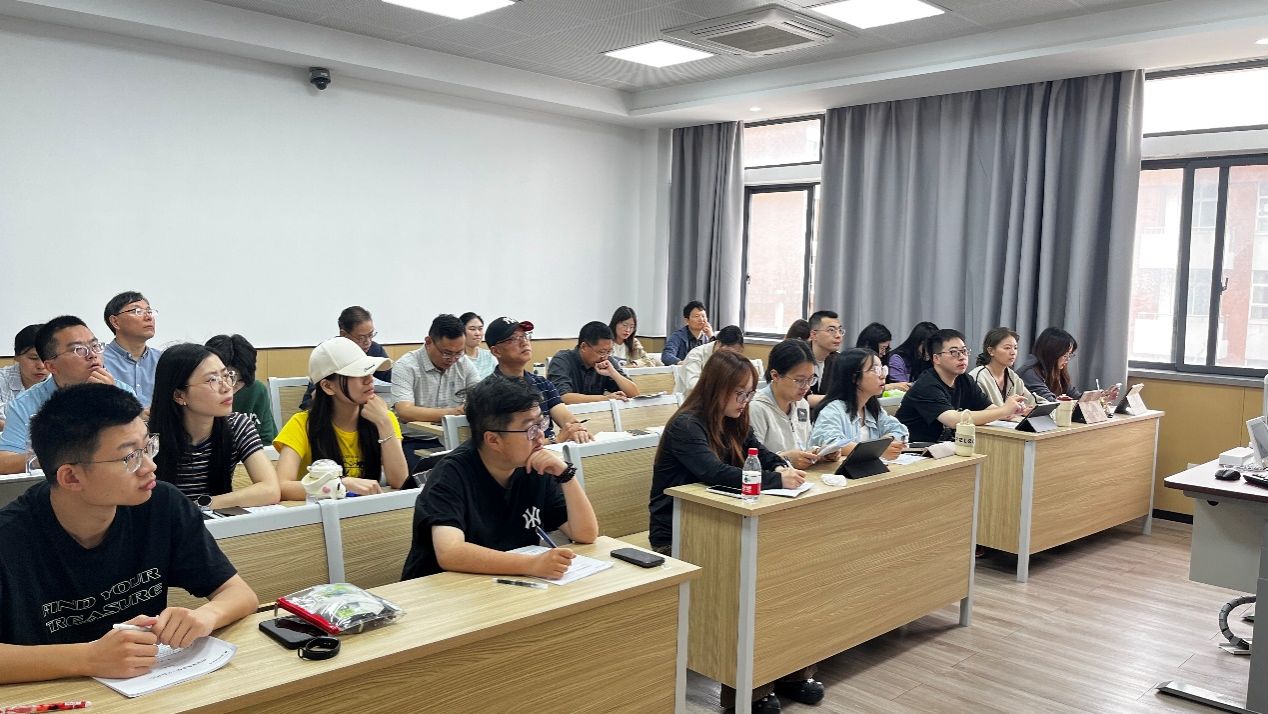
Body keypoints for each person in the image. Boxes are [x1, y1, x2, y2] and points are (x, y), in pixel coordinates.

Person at [0, 383, 258, 684]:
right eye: (130, 457)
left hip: (146, 686)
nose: (150, 466)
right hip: (48, 693)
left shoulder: (163, 504)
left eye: (148, 447)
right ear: (71, 477)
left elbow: (240, 594)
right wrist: (89, 658)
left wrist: (204, 617)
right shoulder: (10, 539)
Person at [649, 349, 815, 712]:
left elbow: (762, 454)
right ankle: (750, 687)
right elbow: (714, 473)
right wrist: (776, 480)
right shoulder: (687, 425)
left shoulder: (735, 418)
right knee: (753, 580)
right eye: (739, 394)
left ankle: (789, 669)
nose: (744, 402)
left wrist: (782, 467)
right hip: (680, 531)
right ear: (716, 389)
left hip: (722, 524)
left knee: (788, 570)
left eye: (749, 394)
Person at [401, 377, 599, 580]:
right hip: (444, 587)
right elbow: (450, 552)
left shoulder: (535, 464)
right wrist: (531, 564)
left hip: (502, 581)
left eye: (541, 423)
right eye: (530, 429)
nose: (541, 436)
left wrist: (566, 475)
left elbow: (585, 534)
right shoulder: (450, 474)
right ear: (493, 440)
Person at [0, 317, 137, 475]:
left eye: (95, 346)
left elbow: (138, 446)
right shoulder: (25, 404)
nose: (92, 355)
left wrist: (112, 400)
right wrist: (54, 457)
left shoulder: (120, 391)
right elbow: (4, 462)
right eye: (78, 349)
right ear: (51, 366)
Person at [149, 344, 281, 508]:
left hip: (216, 520)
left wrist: (198, 508)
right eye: (212, 380)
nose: (227, 387)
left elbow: (270, 490)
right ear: (179, 395)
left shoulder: (237, 426)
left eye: (226, 376)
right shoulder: (145, 438)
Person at [275, 337, 407, 499]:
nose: (369, 379)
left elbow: (400, 482)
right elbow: (281, 486)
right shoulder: (302, 424)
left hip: (369, 511)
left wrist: (384, 423)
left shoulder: (383, 418)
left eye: (369, 371)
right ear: (328, 386)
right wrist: (339, 485)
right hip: (320, 513)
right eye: (357, 374)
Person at [895, 329, 1026, 444]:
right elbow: (953, 420)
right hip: (913, 450)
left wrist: (1012, 410)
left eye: (964, 351)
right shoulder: (926, 385)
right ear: (936, 358)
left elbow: (990, 409)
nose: (962, 357)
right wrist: (1003, 411)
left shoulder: (965, 379)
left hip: (945, 448)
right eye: (954, 352)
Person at [484, 317, 592, 444]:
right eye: (513, 339)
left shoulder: (542, 383)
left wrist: (577, 429)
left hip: (551, 451)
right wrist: (556, 440)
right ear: (496, 351)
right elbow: (509, 446)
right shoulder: (489, 392)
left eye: (524, 336)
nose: (524, 342)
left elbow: (566, 418)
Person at [810, 348, 909, 460]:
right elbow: (831, 445)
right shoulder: (832, 410)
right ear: (854, 378)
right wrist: (877, 449)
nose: (882, 376)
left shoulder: (871, 408)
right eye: (875, 370)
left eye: (882, 369)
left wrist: (888, 440)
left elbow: (899, 429)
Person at [391, 314, 480, 423]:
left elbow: (480, 397)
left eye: (458, 353)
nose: (452, 359)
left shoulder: (464, 363)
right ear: (428, 342)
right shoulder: (406, 366)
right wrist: (455, 412)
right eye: (447, 353)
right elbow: (405, 411)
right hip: (415, 433)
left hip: (455, 432)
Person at [299, 306, 392, 410]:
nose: (368, 342)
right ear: (343, 334)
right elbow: (310, 401)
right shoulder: (329, 353)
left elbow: (392, 378)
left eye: (370, 335)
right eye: (361, 337)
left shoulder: (374, 349)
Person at [748, 339, 819, 469]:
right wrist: (785, 459)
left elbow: (805, 444)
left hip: (799, 475)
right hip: (773, 477)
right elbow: (752, 459)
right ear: (775, 375)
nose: (806, 386)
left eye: (810, 379)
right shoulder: (756, 408)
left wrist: (818, 453)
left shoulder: (802, 404)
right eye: (799, 380)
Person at [205, 333, 277, 444]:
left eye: (240, 380)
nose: (230, 386)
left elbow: (267, 440)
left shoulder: (256, 390)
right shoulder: (201, 395)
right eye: (226, 377)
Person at [1017, 327, 1119, 404]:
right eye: (1065, 355)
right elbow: (1050, 404)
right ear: (1052, 353)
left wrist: (1101, 398)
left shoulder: (1056, 370)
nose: (1067, 360)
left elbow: (1075, 396)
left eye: (1070, 355)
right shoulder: (1029, 373)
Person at [548, 322, 640, 404]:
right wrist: (605, 399)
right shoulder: (562, 360)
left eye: (609, 351)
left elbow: (634, 394)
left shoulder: (607, 361)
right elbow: (564, 398)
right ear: (584, 347)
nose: (605, 357)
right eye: (602, 352)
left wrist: (613, 373)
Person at [102, 291, 162, 407]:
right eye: (137, 311)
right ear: (115, 322)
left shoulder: (163, 360)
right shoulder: (97, 360)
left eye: (149, 311)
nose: (149, 317)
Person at [968, 328, 1046, 410]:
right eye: (1007, 348)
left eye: (1015, 348)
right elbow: (977, 412)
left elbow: (1032, 400)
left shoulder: (1012, 376)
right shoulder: (978, 377)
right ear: (991, 351)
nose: (1013, 352)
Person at [0, 324, 47, 431]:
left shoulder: (62, 380)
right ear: (16, 356)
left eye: (47, 358)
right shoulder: (2, 379)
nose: (41, 366)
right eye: (33, 358)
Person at [675, 325, 744, 394]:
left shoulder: (734, 357)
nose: (732, 357)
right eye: (729, 353)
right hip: (690, 397)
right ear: (718, 344)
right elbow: (692, 384)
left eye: (737, 352)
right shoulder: (696, 355)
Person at [856, 321, 909, 391]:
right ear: (870, 345)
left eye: (886, 349)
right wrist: (890, 387)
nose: (884, 353)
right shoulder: (857, 361)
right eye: (882, 348)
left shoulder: (884, 359)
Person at [806, 310, 843, 408]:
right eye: (831, 330)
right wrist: (837, 399)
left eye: (840, 330)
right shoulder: (799, 356)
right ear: (814, 335)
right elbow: (798, 398)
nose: (838, 335)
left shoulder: (838, 360)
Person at [661, 300, 712, 365]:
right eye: (697, 316)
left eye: (703, 316)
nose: (701, 319)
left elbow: (718, 357)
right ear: (687, 320)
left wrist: (711, 336)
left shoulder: (707, 337)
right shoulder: (678, 336)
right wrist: (682, 363)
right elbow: (666, 356)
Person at [460, 312, 496, 379]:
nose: (478, 333)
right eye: (472, 329)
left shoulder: (490, 356)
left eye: (480, 329)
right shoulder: (457, 359)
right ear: (461, 331)